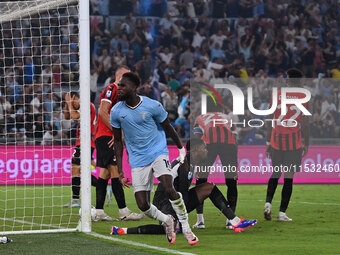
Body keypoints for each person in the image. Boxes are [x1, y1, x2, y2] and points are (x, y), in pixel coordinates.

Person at [110, 72, 198, 245]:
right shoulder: (116, 111)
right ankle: (167, 220)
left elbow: (168, 128)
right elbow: (118, 142)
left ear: (134, 88)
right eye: (118, 85)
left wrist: (181, 149)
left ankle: (187, 228)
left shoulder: (152, 106)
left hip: (158, 152)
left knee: (168, 187)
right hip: (137, 160)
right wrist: (120, 169)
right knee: (143, 205)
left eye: (122, 85)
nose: (118, 88)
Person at [110, 138, 257, 235]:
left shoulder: (189, 162)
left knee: (209, 187)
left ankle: (235, 221)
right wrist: (182, 218)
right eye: (204, 148)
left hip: (175, 199)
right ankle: (123, 230)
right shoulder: (184, 165)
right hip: (164, 203)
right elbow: (179, 192)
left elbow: (182, 192)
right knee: (167, 228)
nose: (206, 150)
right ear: (195, 150)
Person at [95, 66, 141, 221]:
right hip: (107, 136)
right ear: (120, 76)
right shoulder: (111, 88)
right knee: (115, 171)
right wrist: (117, 133)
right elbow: (102, 111)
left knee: (105, 174)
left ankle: (99, 211)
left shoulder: (121, 96)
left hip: (103, 136)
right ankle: (123, 212)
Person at [264, 68, 310, 221]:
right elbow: (305, 122)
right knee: (289, 177)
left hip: (277, 140)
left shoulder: (277, 95)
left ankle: (268, 203)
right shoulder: (304, 97)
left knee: (275, 173)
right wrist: (307, 143)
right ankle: (282, 213)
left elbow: (270, 119)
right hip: (294, 142)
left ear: (288, 80)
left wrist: (268, 141)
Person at [192, 112, 238, 229]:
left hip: (209, 143)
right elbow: (235, 136)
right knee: (231, 181)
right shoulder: (227, 117)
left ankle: (200, 220)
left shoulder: (200, 117)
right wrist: (234, 165)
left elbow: (197, 139)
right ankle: (230, 220)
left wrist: (198, 165)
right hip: (228, 145)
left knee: (201, 180)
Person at [63, 91, 98, 208]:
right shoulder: (79, 107)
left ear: (77, 99)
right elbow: (67, 116)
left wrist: (69, 103)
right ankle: (102, 187)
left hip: (87, 142)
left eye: (73, 102)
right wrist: (67, 103)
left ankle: (76, 200)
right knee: (80, 172)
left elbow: (73, 116)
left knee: (76, 169)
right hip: (81, 142)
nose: (72, 105)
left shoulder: (88, 105)